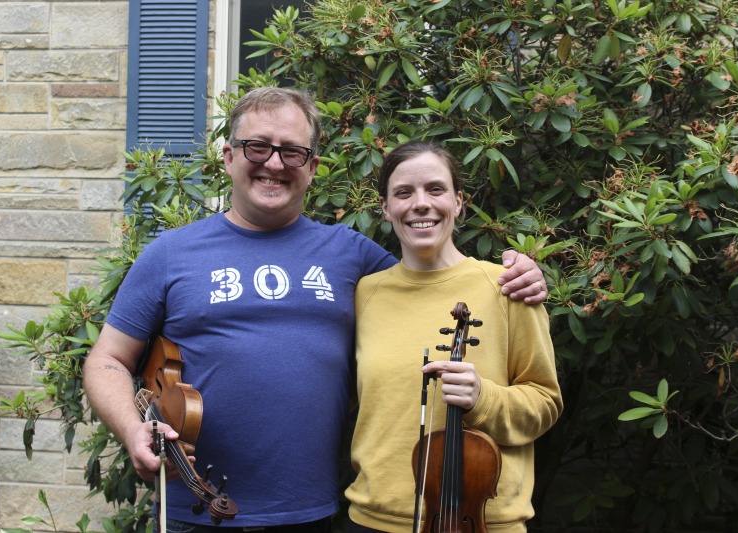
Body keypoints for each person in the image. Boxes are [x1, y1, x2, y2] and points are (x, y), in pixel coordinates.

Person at [82, 87, 547, 532]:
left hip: (308, 513)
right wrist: (131, 430)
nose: (274, 163)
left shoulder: (353, 256)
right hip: (195, 505)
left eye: (292, 152)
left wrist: (519, 273)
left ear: (313, 166)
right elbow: (106, 360)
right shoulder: (169, 253)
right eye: (257, 147)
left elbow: (429, 280)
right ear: (228, 157)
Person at [346, 141, 563, 532]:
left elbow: (545, 402)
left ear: (459, 201)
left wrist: (485, 398)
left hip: (478, 521)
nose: (420, 204)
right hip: (373, 519)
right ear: (385, 208)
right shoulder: (365, 293)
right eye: (403, 192)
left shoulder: (507, 287)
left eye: (435, 189)